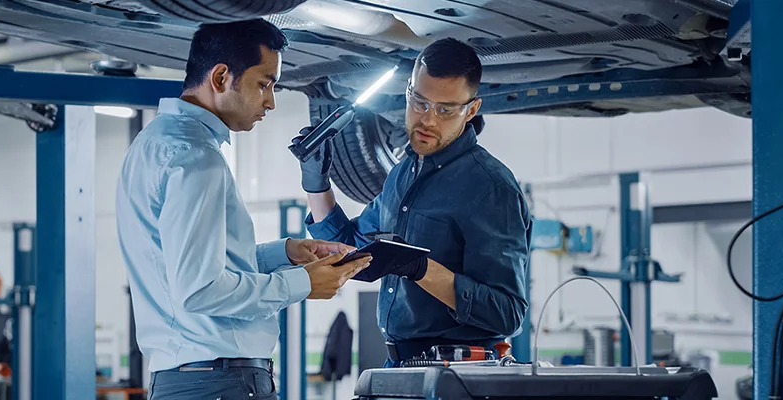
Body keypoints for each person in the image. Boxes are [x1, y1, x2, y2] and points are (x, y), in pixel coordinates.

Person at [116, 19, 372, 399]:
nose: (270, 101)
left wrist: (281, 253)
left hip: (189, 380)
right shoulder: (196, 158)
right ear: (221, 78)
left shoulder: (154, 143)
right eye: (264, 84)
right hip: (219, 382)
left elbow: (187, 266)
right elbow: (200, 289)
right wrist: (303, 284)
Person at [295, 38, 532, 367]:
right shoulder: (402, 174)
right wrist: (316, 183)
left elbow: (507, 313)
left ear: (472, 109)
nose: (428, 120)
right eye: (419, 102)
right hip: (400, 366)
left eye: (445, 109)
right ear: (407, 90)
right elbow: (349, 254)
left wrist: (422, 270)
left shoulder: (490, 189)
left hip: (459, 372)